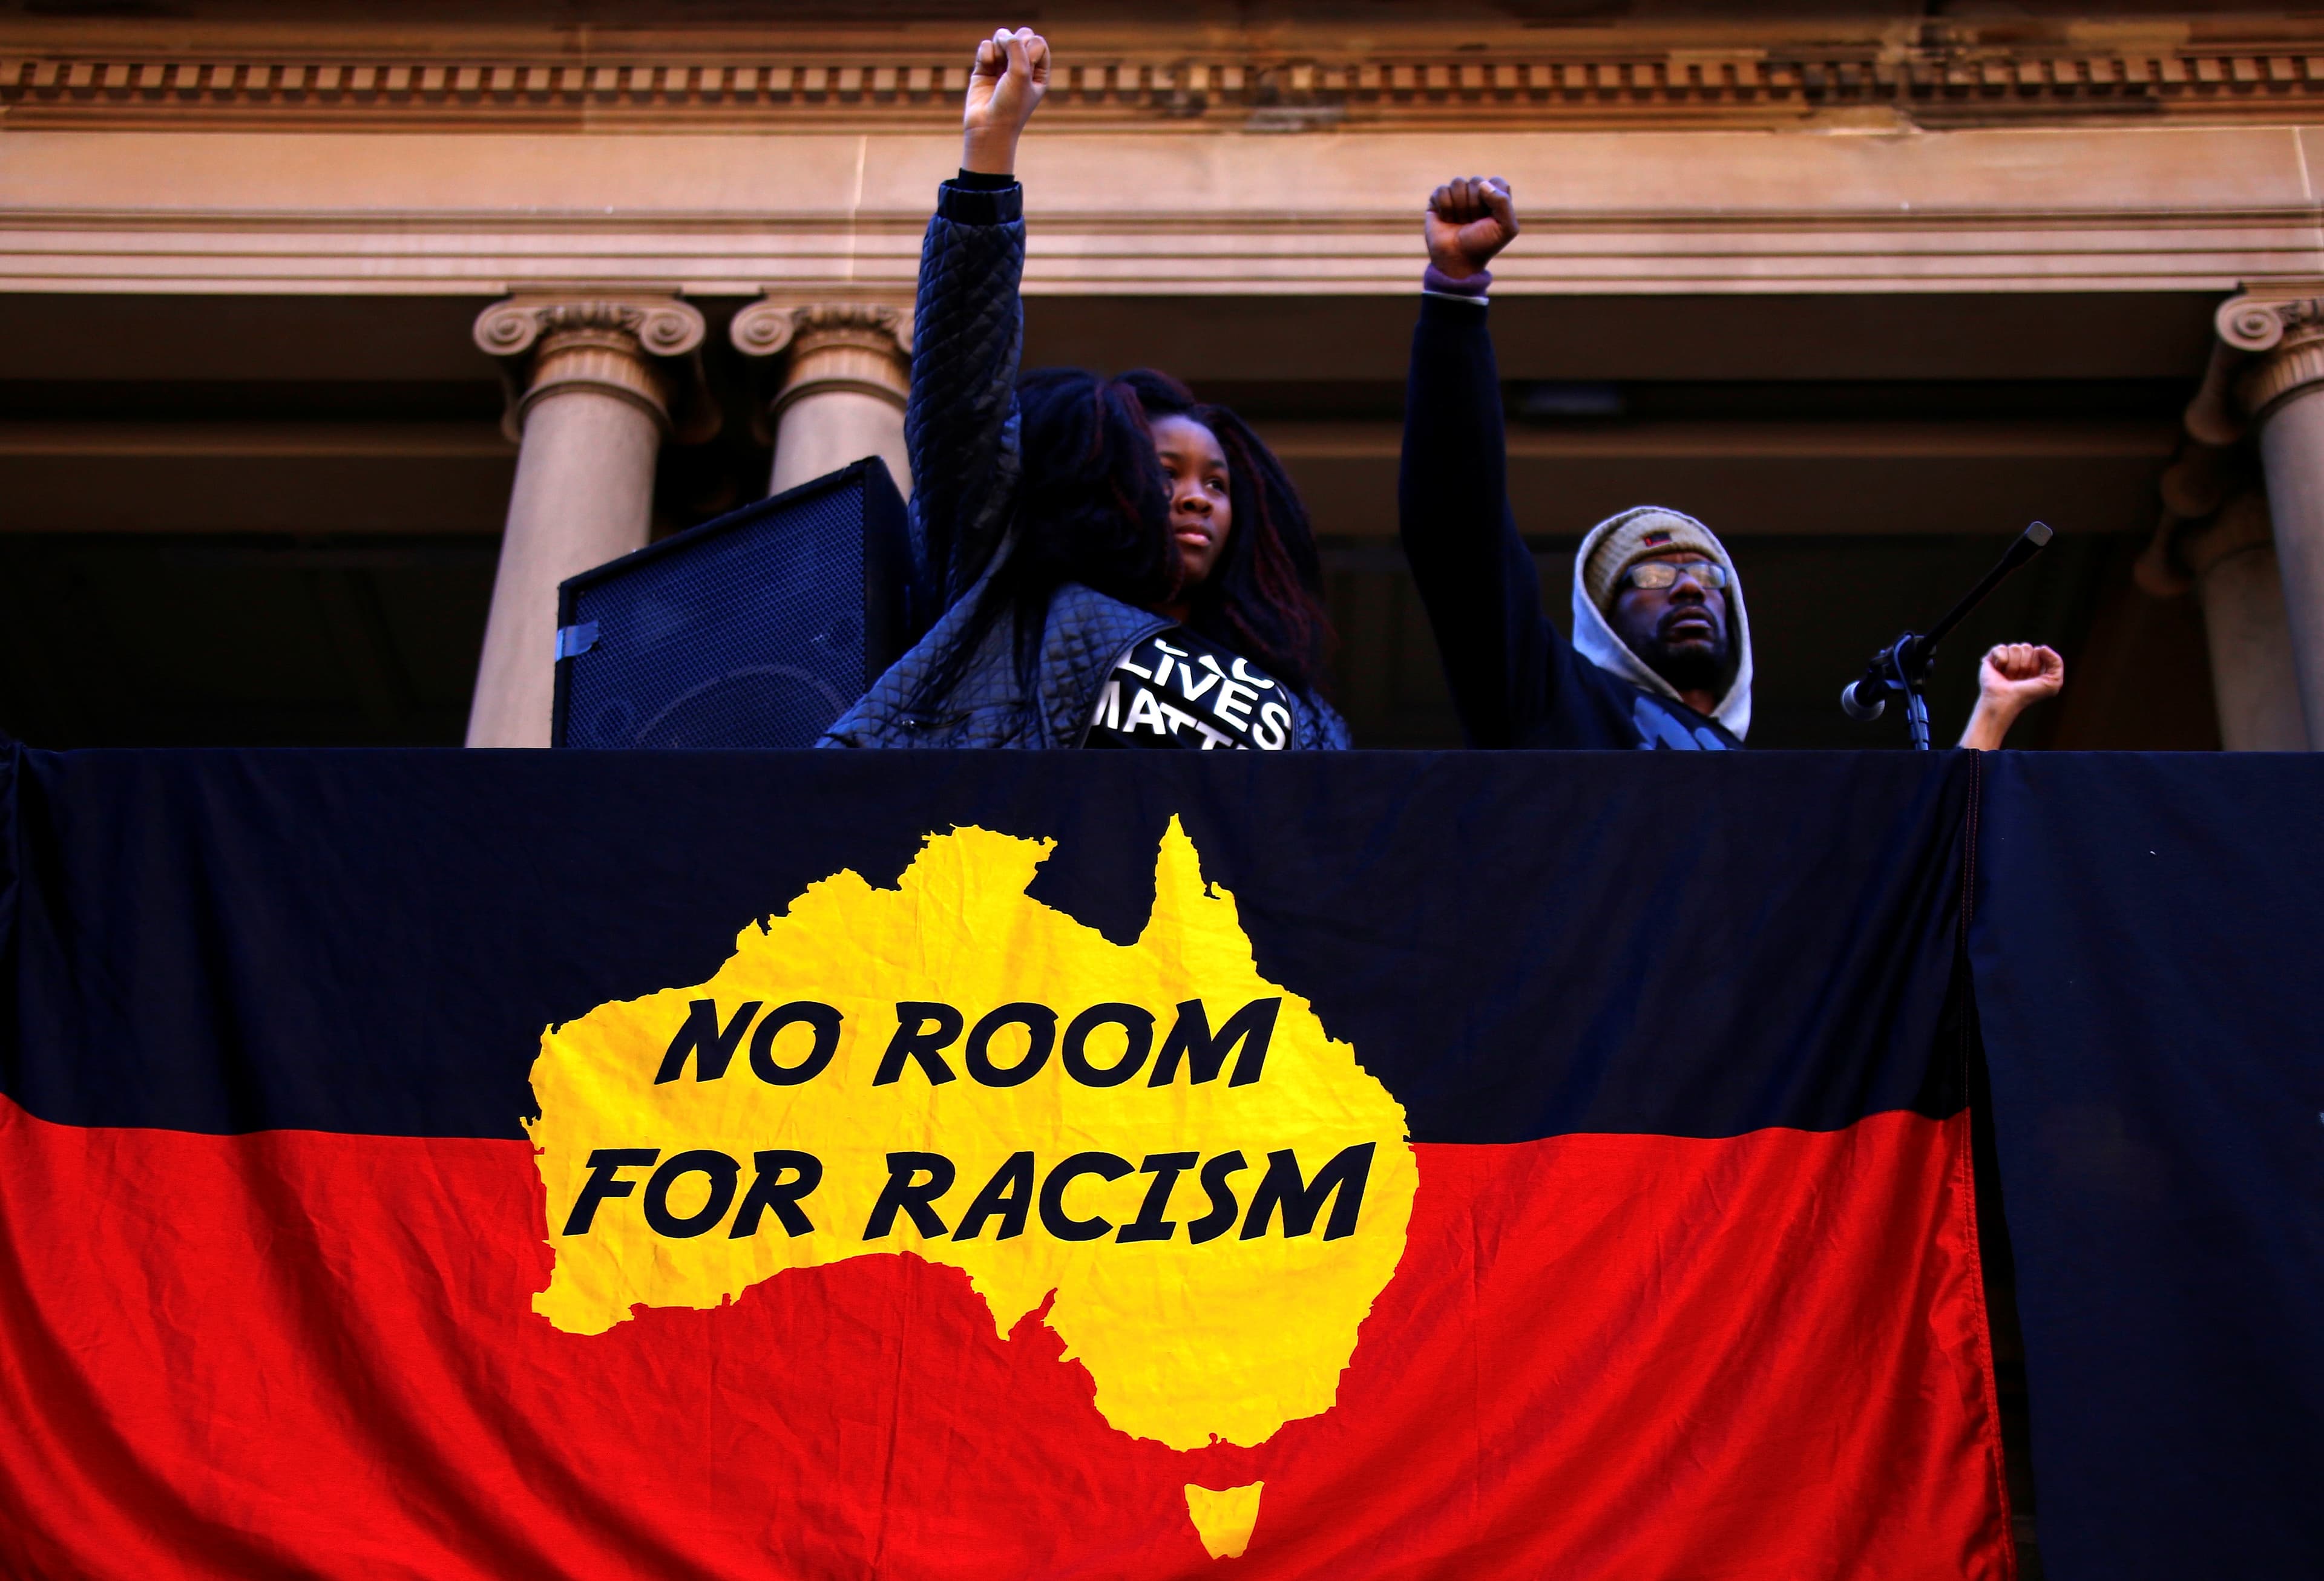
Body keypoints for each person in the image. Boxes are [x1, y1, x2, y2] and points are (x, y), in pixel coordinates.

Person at [1399, 174, 2064, 751]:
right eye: (1653, 574)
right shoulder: (1550, 700)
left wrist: (1994, 712)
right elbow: (1461, 534)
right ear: (1604, 620)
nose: (1690, 589)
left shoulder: (1766, 786)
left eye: (1707, 575)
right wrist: (1456, 294)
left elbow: (1926, 855)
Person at [821, 27, 1347, 751]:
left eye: (1217, 484)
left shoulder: (1303, 713)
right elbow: (962, 400)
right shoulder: (1016, 599)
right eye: (1166, 473)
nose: (1197, 498)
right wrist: (990, 153)